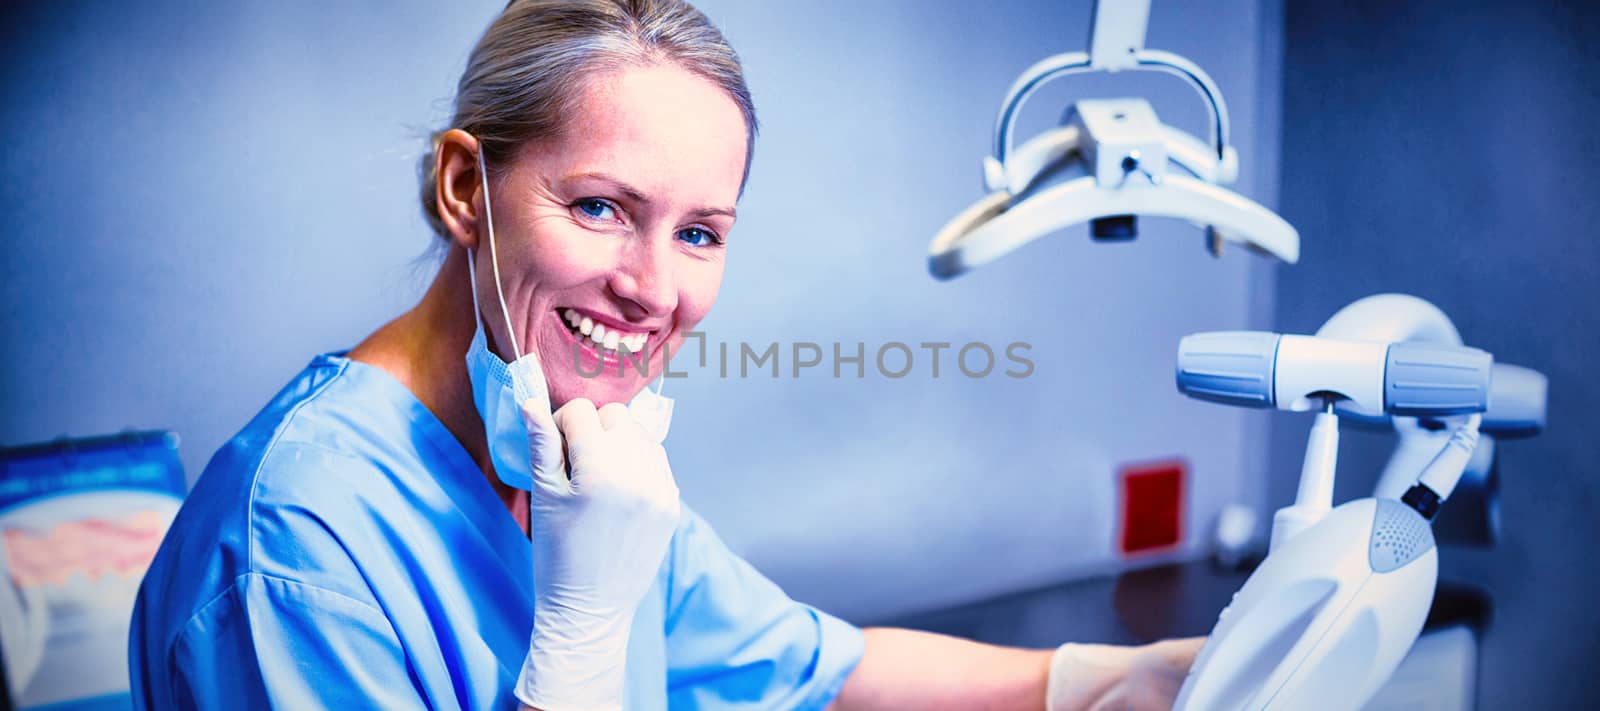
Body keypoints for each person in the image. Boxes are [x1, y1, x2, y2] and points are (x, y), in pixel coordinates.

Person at [128, 1, 1201, 709]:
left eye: (699, 233)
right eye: (599, 206)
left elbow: (819, 671)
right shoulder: (295, 557)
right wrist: (581, 640)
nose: (651, 289)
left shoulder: (565, 457)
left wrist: (1114, 678)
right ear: (465, 188)